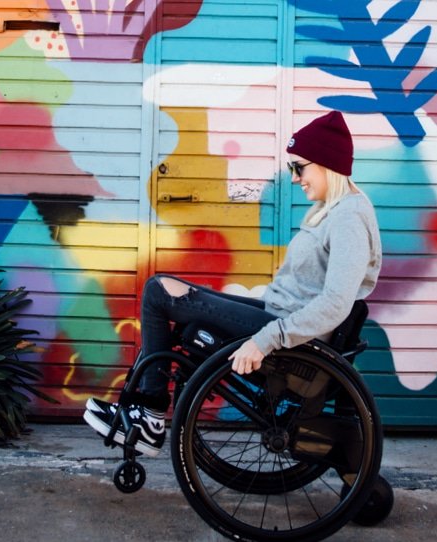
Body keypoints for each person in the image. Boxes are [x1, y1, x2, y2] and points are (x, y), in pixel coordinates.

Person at [83, 110, 382, 457]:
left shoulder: (348, 218)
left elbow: (335, 303)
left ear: (326, 163)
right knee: (164, 292)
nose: (295, 177)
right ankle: (144, 411)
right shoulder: (332, 211)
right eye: (292, 169)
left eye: (299, 167)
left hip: (287, 335)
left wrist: (266, 340)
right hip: (279, 317)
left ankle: (149, 416)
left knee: (158, 292)